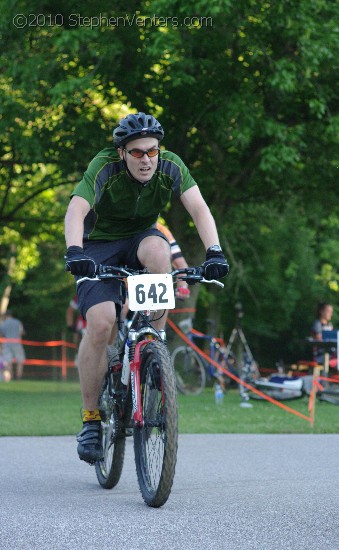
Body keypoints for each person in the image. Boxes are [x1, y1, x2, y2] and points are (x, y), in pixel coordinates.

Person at [64, 112, 229, 464]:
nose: (146, 160)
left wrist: (214, 251)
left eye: (151, 151)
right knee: (102, 323)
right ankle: (91, 419)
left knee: (158, 251)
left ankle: (154, 348)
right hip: (97, 245)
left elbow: (199, 208)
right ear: (122, 153)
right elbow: (76, 210)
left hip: (141, 238)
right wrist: (75, 252)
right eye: (137, 153)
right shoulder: (104, 166)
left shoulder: (171, 166)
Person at [0, 310, 26, 380]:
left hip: (7, 344)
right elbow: (22, 332)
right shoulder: (18, 322)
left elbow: (1, 334)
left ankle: (9, 377)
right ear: (12, 315)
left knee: (8, 361)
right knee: (20, 361)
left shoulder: (3, 323)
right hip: (17, 343)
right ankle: (18, 377)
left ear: (5, 316)